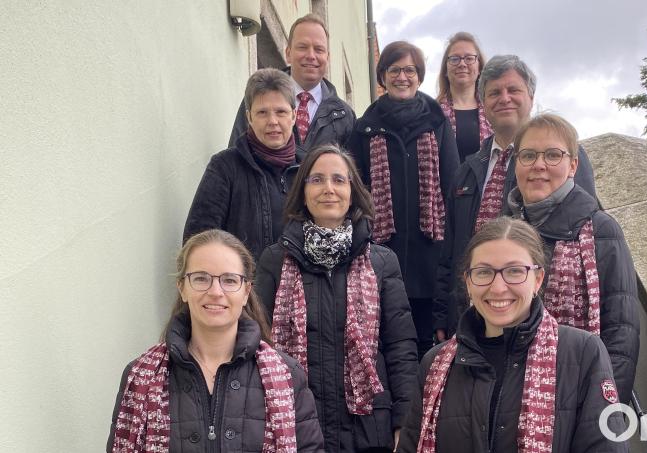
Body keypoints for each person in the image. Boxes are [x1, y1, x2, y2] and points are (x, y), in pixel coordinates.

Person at [397, 217, 628, 452]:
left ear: (538, 279)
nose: (498, 288)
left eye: (515, 271)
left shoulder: (582, 354)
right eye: (483, 272)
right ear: (468, 283)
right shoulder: (435, 363)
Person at [255, 145, 419, 452]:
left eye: (339, 180)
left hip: (369, 431)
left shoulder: (382, 262)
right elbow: (259, 348)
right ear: (302, 192)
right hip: (296, 425)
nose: (328, 189)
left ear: (352, 192)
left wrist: (404, 422)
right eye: (317, 179)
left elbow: (401, 348)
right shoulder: (274, 261)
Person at [107, 229, 324, 452]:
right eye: (201, 278)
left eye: (229, 280)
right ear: (182, 288)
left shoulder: (288, 375)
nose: (215, 291)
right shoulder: (140, 376)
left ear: (246, 291)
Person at [433, 55, 598, 341]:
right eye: (494, 93)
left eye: (513, 90)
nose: (504, 98)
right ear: (483, 103)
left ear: (531, 97)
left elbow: (581, 231)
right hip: (471, 317)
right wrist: (441, 315)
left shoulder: (560, 158)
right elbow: (449, 253)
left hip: (535, 315)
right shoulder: (467, 171)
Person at [504, 113, 640, 404]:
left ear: (573, 165)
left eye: (553, 155)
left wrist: (605, 410)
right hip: (508, 396)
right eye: (528, 155)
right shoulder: (501, 233)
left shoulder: (600, 231)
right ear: (516, 163)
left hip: (577, 397)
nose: (539, 165)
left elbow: (621, 332)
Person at [348, 41, 460, 359]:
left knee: (428, 348)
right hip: (382, 255)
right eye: (394, 70)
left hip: (430, 259)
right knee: (387, 347)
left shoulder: (438, 123)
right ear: (382, 76)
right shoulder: (364, 128)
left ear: (419, 76)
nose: (402, 77)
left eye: (409, 70)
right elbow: (355, 191)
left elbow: (452, 185)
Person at [184, 68, 301, 260]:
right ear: (249, 118)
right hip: (242, 279)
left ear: (294, 116)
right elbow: (198, 242)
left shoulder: (309, 170)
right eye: (262, 112)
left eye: (281, 112)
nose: (272, 121)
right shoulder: (224, 167)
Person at [228, 14, 355, 154]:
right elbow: (234, 156)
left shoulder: (345, 117)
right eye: (303, 47)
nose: (311, 56)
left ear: (327, 57)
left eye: (319, 49)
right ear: (288, 53)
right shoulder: (258, 98)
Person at [436, 32, 492, 162]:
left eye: (469, 58)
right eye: (454, 59)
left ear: (480, 68)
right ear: (445, 69)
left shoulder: (493, 110)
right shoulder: (433, 113)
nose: (462, 64)